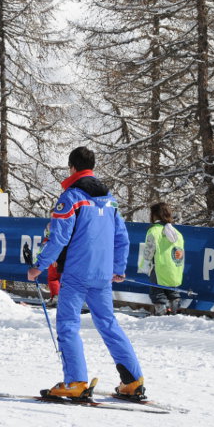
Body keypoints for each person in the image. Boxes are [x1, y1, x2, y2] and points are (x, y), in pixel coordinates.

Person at [28, 146, 145, 400]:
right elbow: (121, 237)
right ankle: (133, 380)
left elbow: (58, 237)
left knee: (68, 324)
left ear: (72, 167)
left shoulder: (71, 197)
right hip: (102, 274)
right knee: (108, 323)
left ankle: (76, 382)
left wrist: (39, 265)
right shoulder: (110, 199)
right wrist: (118, 268)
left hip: (77, 273)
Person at [139, 202, 185, 316]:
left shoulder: (154, 231)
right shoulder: (177, 233)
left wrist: (144, 265)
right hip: (174, 268)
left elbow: (149, 250)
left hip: (159, 267)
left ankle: (162, 312)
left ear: (154, 215)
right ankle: (175, 310)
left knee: (157, 291)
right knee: (172, 291)